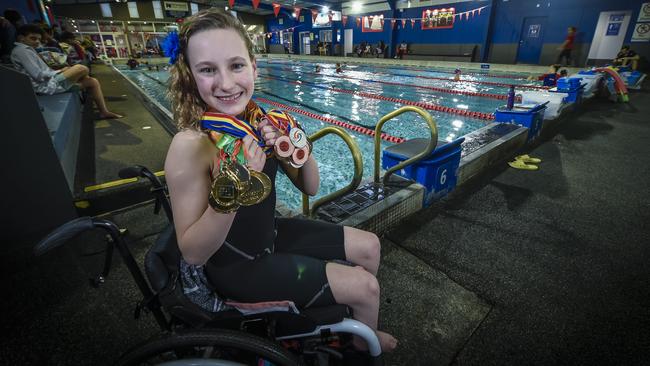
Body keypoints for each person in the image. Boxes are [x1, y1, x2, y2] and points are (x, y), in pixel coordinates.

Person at [163, 8, 397, 353]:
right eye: (208, 70)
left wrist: (297, 145)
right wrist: (239, 186)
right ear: (191, 77)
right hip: (236, 267)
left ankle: (353, 327)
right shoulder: (191, 145)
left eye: (236, 65)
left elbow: (311, 187)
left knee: (371, 246)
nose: (226, 83)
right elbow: (193, 253)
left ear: (254, 67)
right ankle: (361, 346)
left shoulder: (259, 120)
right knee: (367, 288)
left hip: (269, 236)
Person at [11, 24, 122, 119]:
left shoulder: (28, 50)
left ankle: (104, 112)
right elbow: (38, 75)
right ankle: (83, 84)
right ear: (21, 38)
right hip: (46, 87)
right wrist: (60, 71)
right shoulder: (22, 51)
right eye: (33, 38)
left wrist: (62, 71)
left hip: (50, 83)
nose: (37, 42)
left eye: (38, 39)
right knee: (82, 68)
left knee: (93, 82)